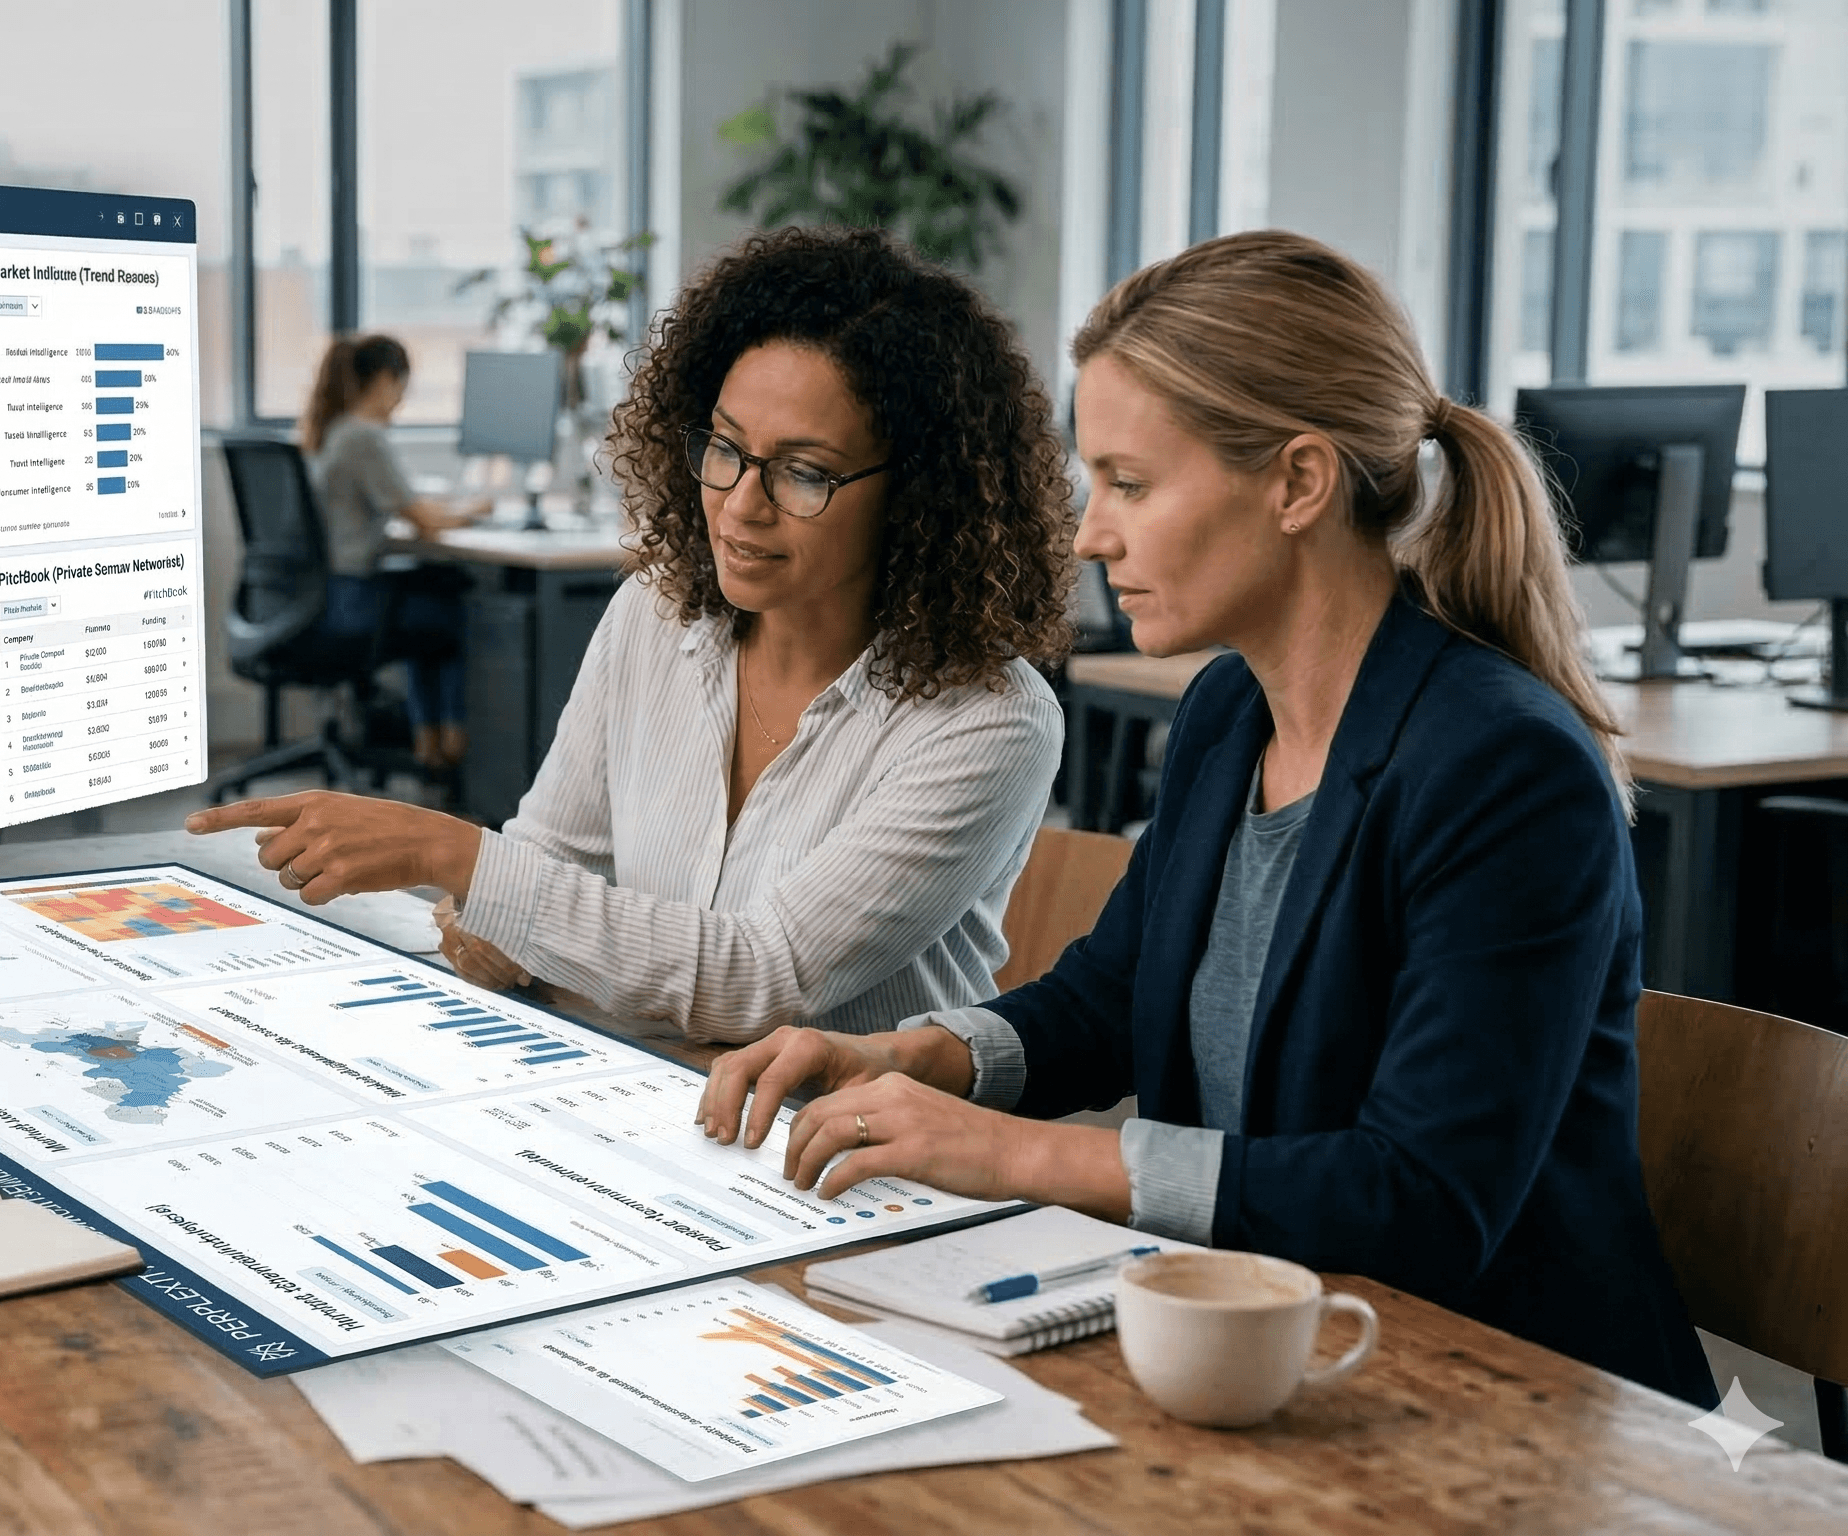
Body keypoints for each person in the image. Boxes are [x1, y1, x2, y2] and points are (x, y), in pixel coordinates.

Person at [696, 230, 1718, 1406]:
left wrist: (1023, 1156)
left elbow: (1422, 1201)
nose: (1089, 532)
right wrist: (913, 1054)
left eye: (1129, 483)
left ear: (1295, 482)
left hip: (1498, 1395)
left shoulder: (1501, 768)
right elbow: (1112, 1000)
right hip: (1259, 1348)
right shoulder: (1234, 708)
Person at [190, 226, 1074, 1042]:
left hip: (854, 1160)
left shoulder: (988, 719)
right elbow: (547, 857)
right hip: (652, 1095)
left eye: (805, 472)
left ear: (920, 497)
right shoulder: (656, 616)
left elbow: (757, 980)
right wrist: (501, 915)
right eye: (724, 447)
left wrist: (452, 856)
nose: (739, 506)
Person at [301, 334, 482, 767]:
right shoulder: (363, 438)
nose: (401, 402)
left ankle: (428, 741)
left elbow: (404, 508)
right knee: (449, 612)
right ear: (385, 380)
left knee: (428, 604)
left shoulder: (333, 431)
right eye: (402, 388)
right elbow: (425, 520)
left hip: (327, 595)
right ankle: (449, 744)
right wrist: (479, 508)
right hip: (353, 599)